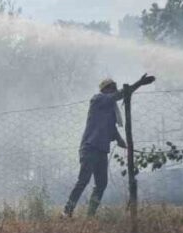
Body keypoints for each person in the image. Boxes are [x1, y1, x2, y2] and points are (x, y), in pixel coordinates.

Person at [64, 73, 155, 217]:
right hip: (90, 147)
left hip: (101, 151)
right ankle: (67, 211)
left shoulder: (110, 111)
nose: (115, 90)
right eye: (112, 87)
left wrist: (123, 143)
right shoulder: (98, 99)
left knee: (101, 184)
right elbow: (118, 96)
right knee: (83, 181)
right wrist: (139, 83)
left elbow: (112, 131)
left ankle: (90, 216)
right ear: (105, 89)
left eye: (115, 87)